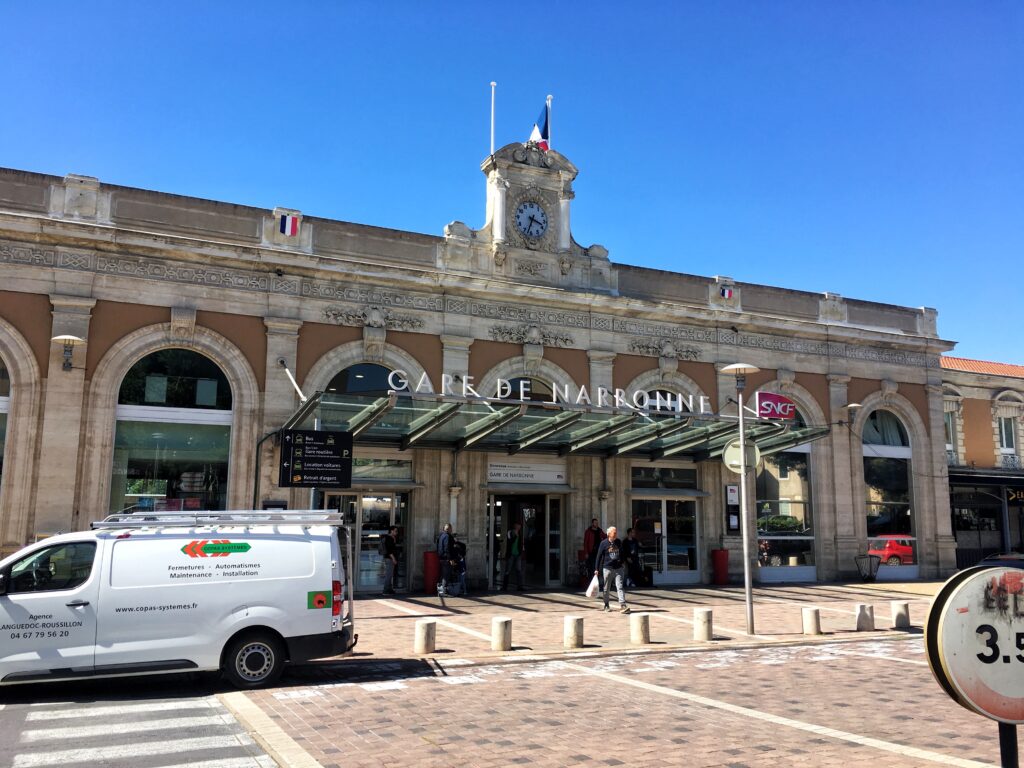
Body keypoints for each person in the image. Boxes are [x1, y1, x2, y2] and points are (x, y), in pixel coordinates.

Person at [594, 526, 630, 613]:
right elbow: (598, 556)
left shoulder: (618, 542)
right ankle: (606, 605)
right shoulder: (603, 543)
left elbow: (622, 553)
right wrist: (596, 569)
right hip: (607, 568)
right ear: (609, 534)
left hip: (618, 568)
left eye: (616, 532)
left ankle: (623, 605)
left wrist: (622, 562)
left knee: (620, 586)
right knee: (606, 588)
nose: (616, 534)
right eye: (614, 533)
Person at [501, 521, 524, 591]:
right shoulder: (510, 532)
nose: (519, 527)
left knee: (519, 570)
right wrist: (515, 536)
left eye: (520, 526)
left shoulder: (520, 533)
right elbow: (510, 541)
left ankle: (519, 586)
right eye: (518, 525)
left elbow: (521, 544)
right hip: (511, 554)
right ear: (515, 525)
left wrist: (521, 552)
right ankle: (504, 587)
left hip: (518, 554)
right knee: (508, 570)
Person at [583, 517, 606, 583]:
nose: (597, 524)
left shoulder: (599, 530)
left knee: (597, 567)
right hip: (591, 552)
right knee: (592, 567)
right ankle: (591, 582)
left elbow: (604, 536)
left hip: (598, 552)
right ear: (592, 523)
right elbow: (585, 543)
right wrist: (586, 553)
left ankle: (596, 582)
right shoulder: (588, 531)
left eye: (597, 523)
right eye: (595, 523)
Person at [380, 525, 398, 595]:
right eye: (395, 531)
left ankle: (390, 589)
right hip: (389, 558)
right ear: (392, 531)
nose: (397, 533)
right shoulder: (389, 538)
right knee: (389, 575)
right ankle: (385, 590)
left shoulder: (391, 538)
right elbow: (389, 551)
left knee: (390, 575)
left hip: (389, 558)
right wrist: (393, 559)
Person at [437, 523, 453, 596]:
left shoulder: (441, 536)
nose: (451, 530)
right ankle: (444, 591)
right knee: (446, 575)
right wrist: (450, 558)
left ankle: (440, 590)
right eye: (451, 529)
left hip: (441, 557)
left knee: (443, 574)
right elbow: (447, 548)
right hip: (446, 558)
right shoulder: (447, 536)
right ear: (449, 529)